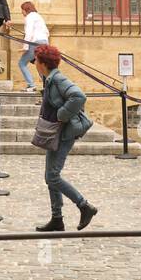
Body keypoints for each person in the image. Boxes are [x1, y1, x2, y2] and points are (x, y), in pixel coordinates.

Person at [31, 44, 97, 231]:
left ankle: (84, 206)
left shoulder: (58, 79)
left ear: (43, 63)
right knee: (50, 176)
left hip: (64, 133)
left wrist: (61, 114)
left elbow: (78, 96)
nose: (34, 63)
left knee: (52, 176)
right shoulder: (49, 78)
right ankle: (57, 218)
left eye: (36, 60)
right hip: (57, 133)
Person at [17, 1, 47, 93]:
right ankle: (47, 86)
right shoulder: (38, 16)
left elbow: (29, 33)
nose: (21, 12)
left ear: (26, 10)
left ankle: (31, 85)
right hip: (44, 42)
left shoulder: (29, 17)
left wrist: (25, 47)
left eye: (22, 10)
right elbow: (46, 32)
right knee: (39, 64)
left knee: (22, 63)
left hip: (35, 43)